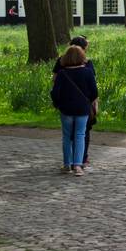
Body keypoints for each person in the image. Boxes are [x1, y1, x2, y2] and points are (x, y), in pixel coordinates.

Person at [50, 43, 98, 177]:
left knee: (66, 137)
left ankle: (67, 164)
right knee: (80, 135)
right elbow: (94, 92)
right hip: (82, 109)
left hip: (66, 109)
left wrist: (58, 104)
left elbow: (55, 93)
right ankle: (78, 165)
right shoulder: (88, 72)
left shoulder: (61, 73)